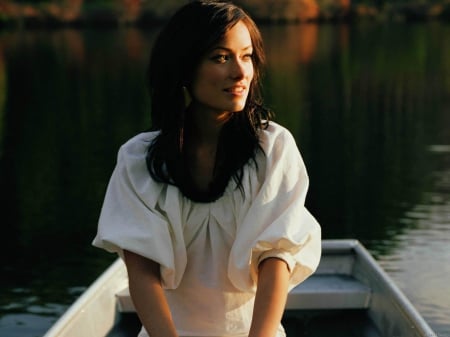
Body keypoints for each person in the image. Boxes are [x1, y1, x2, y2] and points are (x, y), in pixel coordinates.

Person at [93, 1, 321, 337]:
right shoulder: (139, 159)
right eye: (221, 57)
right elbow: (142, 272)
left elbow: (276, 260)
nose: (240, 72)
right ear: (185, 66)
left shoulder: (273, 148)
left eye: (246, 56)